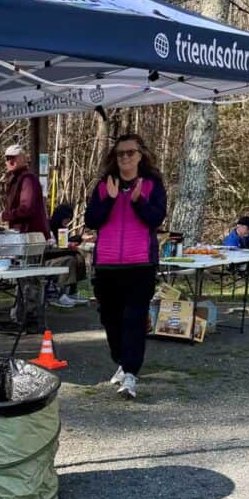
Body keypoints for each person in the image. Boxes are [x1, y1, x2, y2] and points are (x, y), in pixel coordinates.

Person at [84, 133, 167, 399]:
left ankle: (131, 373)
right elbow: (92, 220)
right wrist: (108, 199)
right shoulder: (104, 185)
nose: (125, 158)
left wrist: (138, 201)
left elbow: (156, 218)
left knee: (133, 319)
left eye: (130, 153)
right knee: (110, 319)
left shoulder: (152, 185)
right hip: (107, 265)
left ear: (141, 155)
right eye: (120, 154)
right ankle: (121, 360)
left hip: (140, 264)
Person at [1, 144, 50, 329]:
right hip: (23, 237)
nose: (10, 161)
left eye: (14, 157)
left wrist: (4, 215)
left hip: (31, 238)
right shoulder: (16, 179)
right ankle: (21, 317)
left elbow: (26, 209)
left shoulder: (27, 179)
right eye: (7, 158)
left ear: (24, 158)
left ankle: (30, 320)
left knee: (29, 278)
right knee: (23, 279)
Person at [47, 203, 89, 308]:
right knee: (70, 260)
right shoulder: (48, 226)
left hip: (59, 254)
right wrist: (66, 247)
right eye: (66, 219)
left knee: (79, 257)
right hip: (48, 258)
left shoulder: (62, 229)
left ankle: (74, 291)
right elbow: (50, 246)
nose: (67, 222)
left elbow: (64, 244)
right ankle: (61, 293)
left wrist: (73, 243)